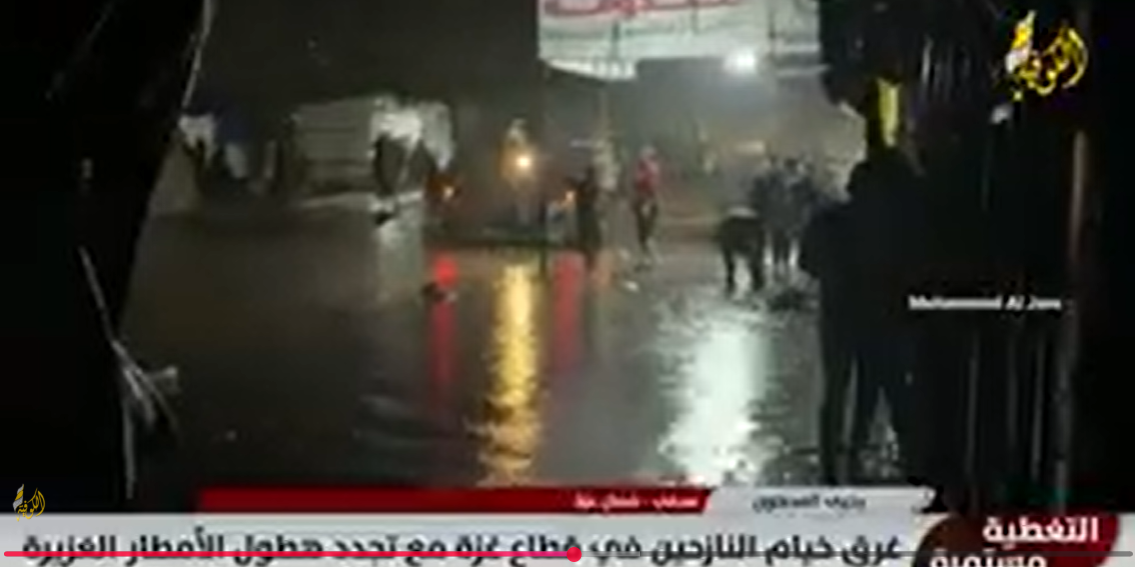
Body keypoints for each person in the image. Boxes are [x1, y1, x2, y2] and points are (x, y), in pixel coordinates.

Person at [631, 146, 662, 262]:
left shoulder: (648, 170)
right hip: (646, 201)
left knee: (646, 230)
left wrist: (646, 201)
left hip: (646, 201)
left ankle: (649, 256)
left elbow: (647, 186)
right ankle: (648, 256)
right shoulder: (649, 169)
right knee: (645, 230)